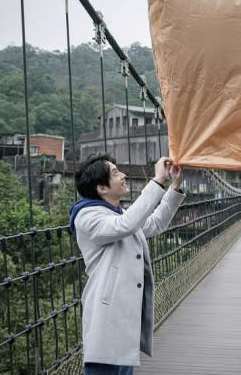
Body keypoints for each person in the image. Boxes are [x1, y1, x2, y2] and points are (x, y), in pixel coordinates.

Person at [69, 154, 184, 375]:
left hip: (126, 321)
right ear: (102, 187)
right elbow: (126, 225)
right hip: (108, 320)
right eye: (115, 173)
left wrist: (174, 188)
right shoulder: (87, 216)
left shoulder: (119, 213)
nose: (123, 175)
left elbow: (155, 223)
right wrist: (157, 181)